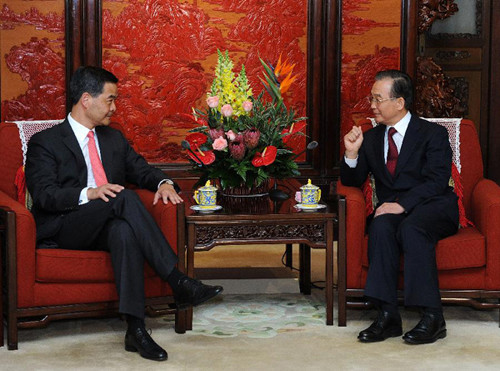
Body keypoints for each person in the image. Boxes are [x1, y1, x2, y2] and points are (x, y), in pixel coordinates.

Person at [25, 66, 223, 361]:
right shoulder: (46, 142)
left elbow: (141, 169)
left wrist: (164, 182)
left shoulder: (113, 139)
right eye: (110, 100)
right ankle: (176, 279)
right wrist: (88, 193)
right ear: (86, 100)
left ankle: (136, 329)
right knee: (123, 197)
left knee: (124, 231)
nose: (114, 108)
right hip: (67, 226)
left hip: (107, 226)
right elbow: (44, 195)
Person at [341, 70, 459, 345]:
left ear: (400, 102)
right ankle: (387, 315)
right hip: (393, 211)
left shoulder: (432, 134)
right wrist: (351, 153)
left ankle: (432, 317)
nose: (372, 105)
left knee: (412, 228)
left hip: (434, 206)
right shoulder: (371, 138)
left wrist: (401, 204)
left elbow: (437, 181)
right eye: (372, 98)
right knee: (381, 226)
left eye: (378, 99)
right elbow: (352, 181)